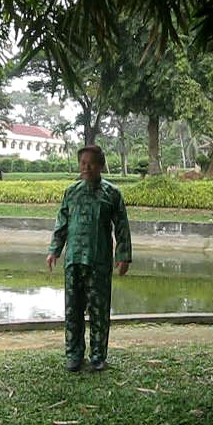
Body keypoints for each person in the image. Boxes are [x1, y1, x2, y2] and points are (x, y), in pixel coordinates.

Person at [46, 144, 132, 372]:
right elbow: (62, 223)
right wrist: (54, 249)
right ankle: (73, 355)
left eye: (91, 162)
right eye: (82, 162)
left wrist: (123, 256)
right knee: (72, 310)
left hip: (99, 261)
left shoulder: (112, 193)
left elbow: (122, 226)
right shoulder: (71, 191)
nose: (86, 167)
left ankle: (97, 356)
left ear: (101, 165)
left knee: (99, 312)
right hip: (74, 259)